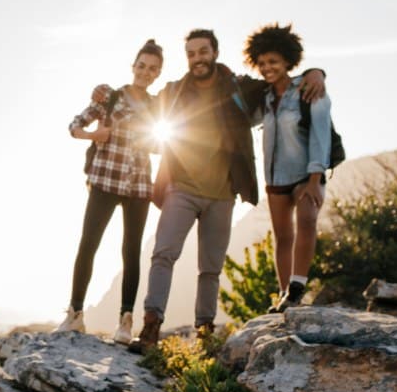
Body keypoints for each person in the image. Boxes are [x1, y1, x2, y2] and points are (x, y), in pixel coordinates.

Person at [90, 29, 325, 353]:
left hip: (222, 194)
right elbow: (140, 106)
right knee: (163, 255)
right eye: (191, 53)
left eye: (203, 51)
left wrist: (316, 73)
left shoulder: (238, 86)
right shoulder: (173, 91)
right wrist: (108, 94)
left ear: (214, 52)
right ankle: (150, 328)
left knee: (210, 269)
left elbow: (280, 77)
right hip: (181, 190)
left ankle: (204, 333)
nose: (197, 58)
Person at [55, 40, 164, 344]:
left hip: (139, 185)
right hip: (104, 180)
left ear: (157, 74)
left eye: (152, 69)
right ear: (133, 66)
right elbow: (74, 125)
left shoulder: (157, 107)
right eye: (141, 66)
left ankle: (125, 322)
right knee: (88, 244)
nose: (145, 72)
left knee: (130, 252)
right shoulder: (110, 97)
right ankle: (75, 314)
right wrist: (93, 134)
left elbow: (163, 144)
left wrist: (150, 144)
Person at [244, 23, 331, 313]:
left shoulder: (309, 89)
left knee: (307, 220)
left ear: (287, 62)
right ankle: (284, 297)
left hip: (307, 174)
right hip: (275, 178)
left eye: (274, 62)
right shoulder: (264, 99)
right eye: (263, 62)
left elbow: (321, 134)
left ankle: (296, 288)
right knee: (282, 237)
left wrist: (315, 177)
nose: (268, 67)